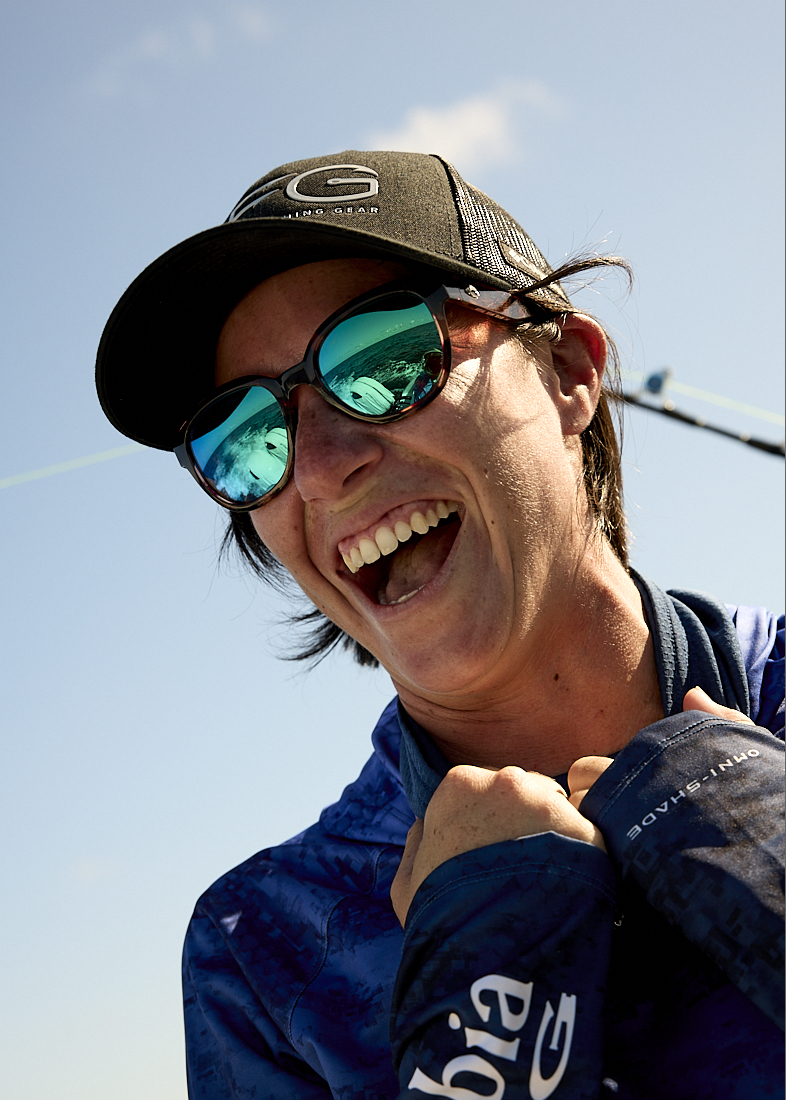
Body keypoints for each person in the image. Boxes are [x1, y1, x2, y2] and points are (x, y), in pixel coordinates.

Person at [96, 151, 784, 1099]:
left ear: (569, 371)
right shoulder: (263, 956)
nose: (321, 466)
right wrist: (482, 1046)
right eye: (247, 434)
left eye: (381, 359)